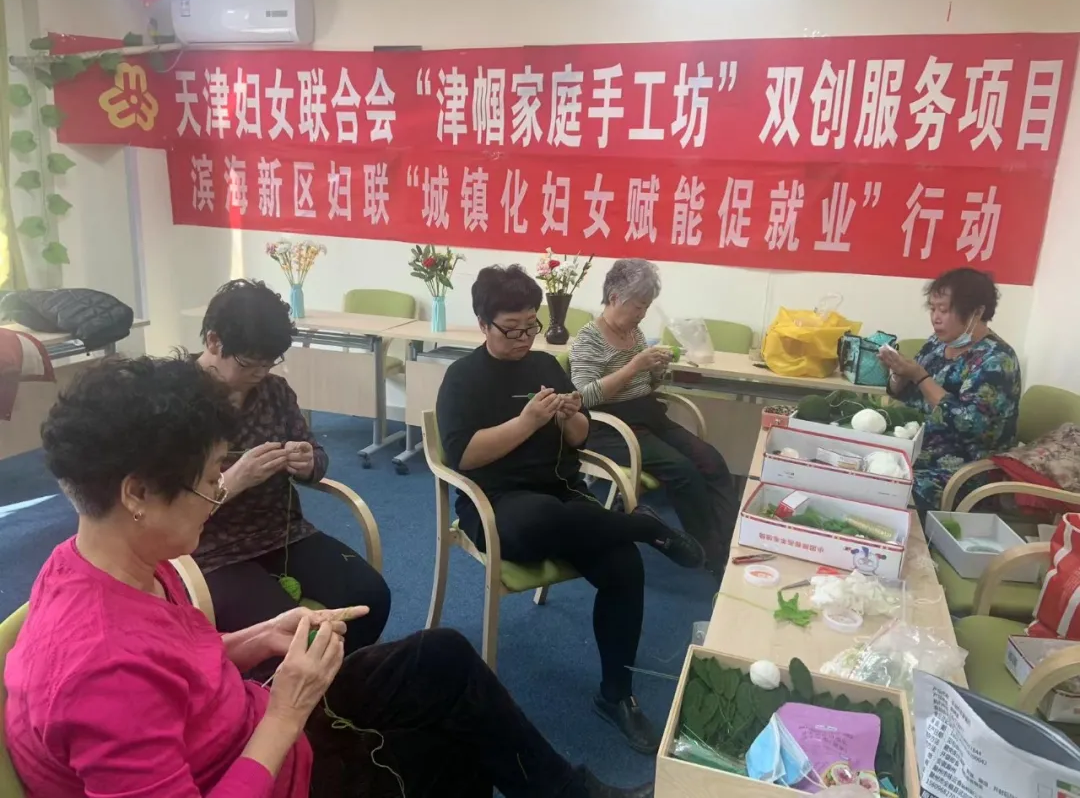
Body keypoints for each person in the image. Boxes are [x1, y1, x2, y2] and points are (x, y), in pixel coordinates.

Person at [3, 356, 652, 798]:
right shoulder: (101, 674)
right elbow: (140, 683)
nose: (218, 494)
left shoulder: (102, 560)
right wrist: (287, 709)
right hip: (265, 759)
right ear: (138, 493)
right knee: (449, 757)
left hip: (250, 724)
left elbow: (172, 665)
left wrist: (252, 640)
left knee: (442, 657)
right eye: (209, 481)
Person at [436, 264, 704, 756]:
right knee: (541, 519)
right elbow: (464, 456)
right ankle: (640, 525)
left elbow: (579, 439)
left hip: (561, 493)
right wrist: (526, 422)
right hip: (497, 500)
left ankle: (616, 695)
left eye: (530, 326)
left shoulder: (544, 365)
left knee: (624, 566)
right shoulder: (463, 377)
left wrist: (568, 417)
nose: (524, 338)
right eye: (511, 329)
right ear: (483, 324)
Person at [195, 279, 390, 657]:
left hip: (283, 533)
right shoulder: (178, 399)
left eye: (270, 362)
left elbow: (316, 454)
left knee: (369, 597)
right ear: (214, 342)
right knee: (291, 636)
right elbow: (163, 502)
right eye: (251, 362)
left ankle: (341, 680)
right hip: (210, 552)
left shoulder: (275, 392)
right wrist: (232, 481)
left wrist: (307, 461)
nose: (261, 372)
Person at [569, 259, 738, 576]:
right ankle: (712, 555)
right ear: (615, 298)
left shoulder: (634, 333)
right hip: (610, 426)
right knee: (683, 470)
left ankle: (733, 542)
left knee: (711, 460)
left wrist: (656, 371)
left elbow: (643, 385)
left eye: (646, 306)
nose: (642, 314)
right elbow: (584, 396)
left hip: (647, 414)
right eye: (638, 306)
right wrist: (635, 366)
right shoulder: (588, 338)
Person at [880, 268, 1022, 514]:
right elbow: (905, 393)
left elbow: (969, 423)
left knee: (889, 489)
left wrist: (920, 375)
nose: (935, 318)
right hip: (919, 450)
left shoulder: (997, 360)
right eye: (932, 309)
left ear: (977, 312)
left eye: (943, 310)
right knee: (864, 468)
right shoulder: (937, 344)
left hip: (964, 469)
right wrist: (899, 373)